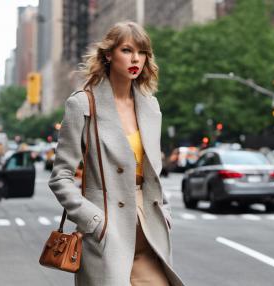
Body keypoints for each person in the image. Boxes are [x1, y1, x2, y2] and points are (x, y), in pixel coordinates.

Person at [49, 21, 183, 286]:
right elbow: (60, 177)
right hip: (107, 228)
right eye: (126, 50)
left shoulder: (150, 107)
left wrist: (165, 210)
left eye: (142, 52)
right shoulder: (82, 104)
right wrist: (94, 220)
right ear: (108, 55)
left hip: (149, 226)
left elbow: (152, 172)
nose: (136, 59)